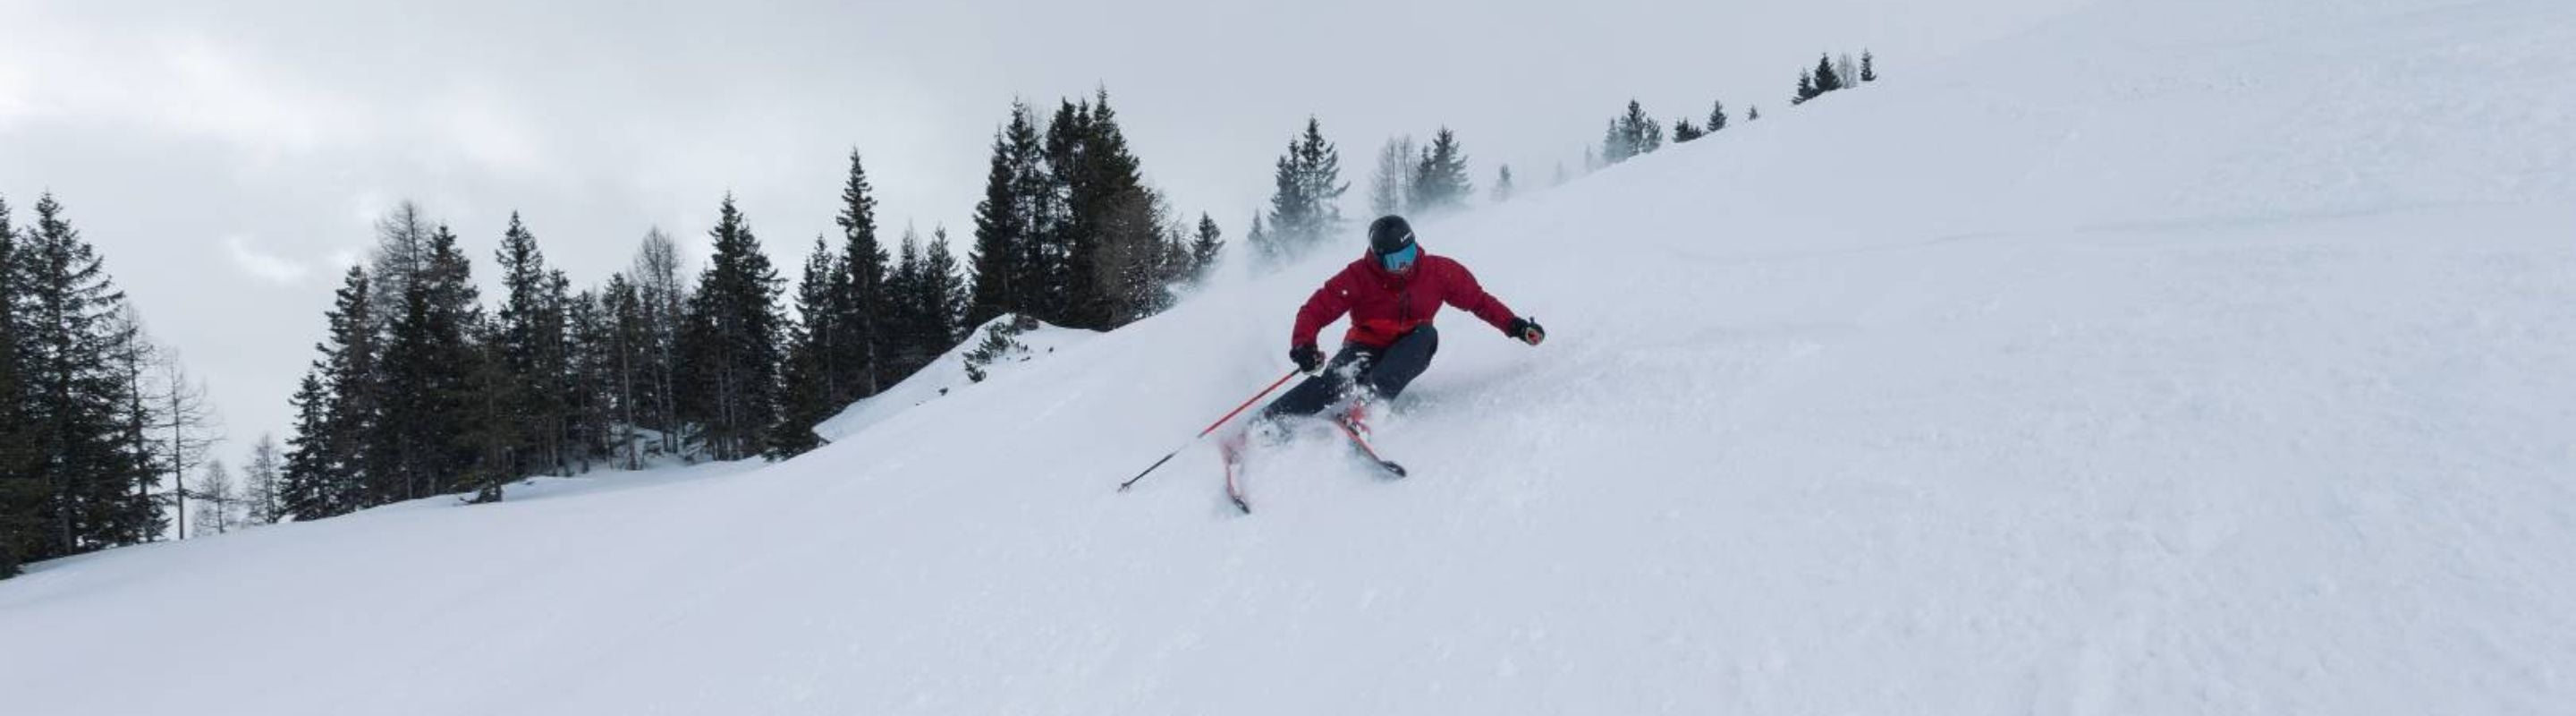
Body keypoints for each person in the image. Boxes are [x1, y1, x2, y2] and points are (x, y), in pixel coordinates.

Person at [1258, 215, 1544, 427]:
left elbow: (1479, 301)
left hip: (1411, 344)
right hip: (1365, 344)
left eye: (1408, 255)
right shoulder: (1358, 277)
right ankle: (1265, 423)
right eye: (1396, 261)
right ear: (1378, 259)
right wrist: (1303, 345)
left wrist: (1516, 326)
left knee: (1426, 334)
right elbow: (1315, 310)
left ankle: (1366, 406)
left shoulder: (1439, 272)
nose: (1405, 265)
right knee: (1335, 381)